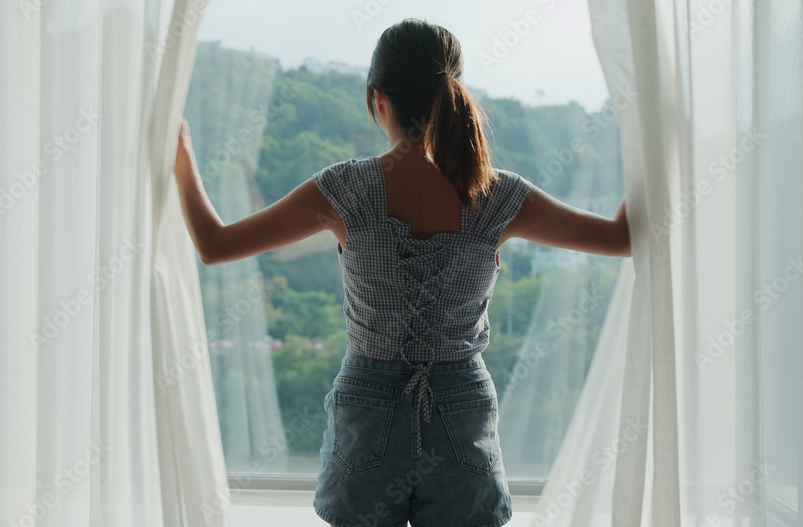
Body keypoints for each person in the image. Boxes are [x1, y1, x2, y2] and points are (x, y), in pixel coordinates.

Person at [173, 18, 630, 527]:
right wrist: (653, 136)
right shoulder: (497, 194)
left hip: (368, 412)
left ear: (377, 100)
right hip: (462, 412)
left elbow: (214, 245)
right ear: (452, 95)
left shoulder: (343, 190)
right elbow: (621, 237)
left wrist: (182, 157)